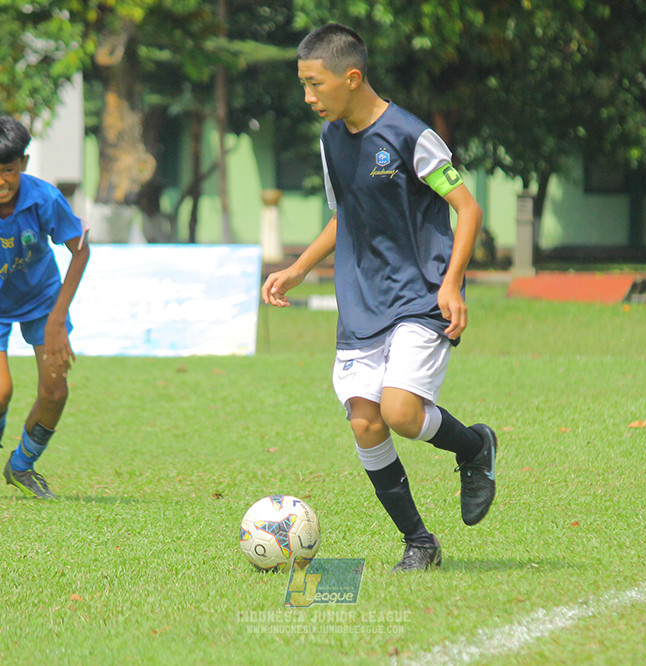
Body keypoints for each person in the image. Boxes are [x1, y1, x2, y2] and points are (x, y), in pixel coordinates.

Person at [261, 24, 497, 572]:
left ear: (352, 77)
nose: (308, 97)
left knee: (401, 412)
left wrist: (450, 281)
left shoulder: (410, 135)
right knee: (366, 422)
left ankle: (472, 447)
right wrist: (298, 268)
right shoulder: (329, 140)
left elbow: (469, 208)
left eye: (314, 84)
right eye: (303, 84)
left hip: (419, 296)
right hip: (361, 300)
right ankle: (419, 541)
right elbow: (344, 217)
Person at [0, 116, 90, 500]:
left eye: (8, 170)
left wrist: (58, 319)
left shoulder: (45, 199)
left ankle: (21, 464)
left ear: (23, 163)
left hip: (42, 303)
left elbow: (80, 250)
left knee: (55, 392)